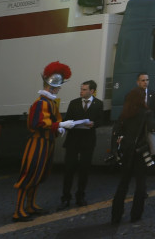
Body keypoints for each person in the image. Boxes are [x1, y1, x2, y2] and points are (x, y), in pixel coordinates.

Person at [13, 61, 78, 222]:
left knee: (39, 175)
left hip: (46, 143)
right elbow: (38, 123)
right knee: (30, 175)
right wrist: (60, 125)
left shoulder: (49, 102)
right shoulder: (41, 103)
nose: (59, 89)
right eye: (58, 87)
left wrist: (58, 128)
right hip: (38, 143)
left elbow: (51, 122)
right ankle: (19, 210)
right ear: (51, 87)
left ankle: (30, 205)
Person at [111, 87, 155, 224]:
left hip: (126, 151)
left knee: (123, 184)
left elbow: (117, 131)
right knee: (140, 184)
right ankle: (136, 214)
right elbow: (153, 128)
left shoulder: (124, 113)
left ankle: (116, 215)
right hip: (140, 152)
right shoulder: (146, 113)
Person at [60, 79, 102, 208]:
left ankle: (80, 196)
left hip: (88, 142)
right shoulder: (74, 103)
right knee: (69, 170)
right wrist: (71, 124)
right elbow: (67, 119)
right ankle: (66, 197)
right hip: (73, 140)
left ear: (92, 91)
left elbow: (101, 120)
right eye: (81, 89)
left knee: (84, 170)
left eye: (84, 89)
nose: (81, 91)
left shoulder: (98, 104)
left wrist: (93, 124)